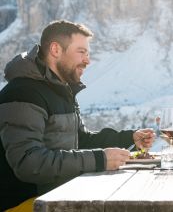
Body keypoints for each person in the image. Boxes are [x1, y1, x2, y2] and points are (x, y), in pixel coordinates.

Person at [0, 20, 155, 211]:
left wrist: (128, 138)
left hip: (56, 194)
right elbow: (29, 163)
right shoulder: (23, 93)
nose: (88, 60)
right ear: (56, 49)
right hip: (25, 203)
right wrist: (100, 159)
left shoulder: (60, 90)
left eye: (88, 53)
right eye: (81, 52)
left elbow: (80, 140)